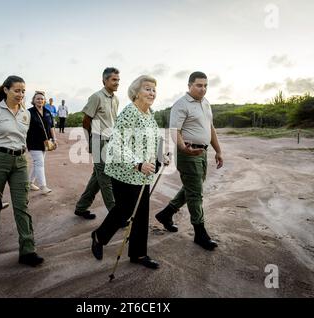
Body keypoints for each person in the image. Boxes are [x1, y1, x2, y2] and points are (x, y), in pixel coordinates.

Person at [91, 75, 162, 269]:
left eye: (154, 89)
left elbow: (154, 141)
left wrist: (160, 156)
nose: (152, 92)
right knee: (123, 212)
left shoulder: (150, 115)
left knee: (141, 213)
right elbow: (117, 143)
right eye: (147, 88)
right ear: (136, 92)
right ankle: (99, 236)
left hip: (143, 173)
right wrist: (137, 163)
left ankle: (138, 254)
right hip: (124, 171)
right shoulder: (130, 112)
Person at [155, 71, 223, 251]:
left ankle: (166, 214)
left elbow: (210, 128)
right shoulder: (181, 104)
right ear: (189, 85)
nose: (203, 89)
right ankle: (200, 234)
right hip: (187, 152)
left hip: (202, 152)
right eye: (199, 85)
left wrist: (218, 150)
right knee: (195, 193)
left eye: (206, 85)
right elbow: (174, 130)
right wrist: (184, 148)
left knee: (193, 187)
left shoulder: (206, 103)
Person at [0, 75, 44, 267]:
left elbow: (23, 138)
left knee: (21, 205)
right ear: (6, 90)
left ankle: (27, 250)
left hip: (20, 161)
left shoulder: (26, 113)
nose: (21, 94)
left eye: (23, 91)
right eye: (17, 90)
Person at [74, 67, 120, 220]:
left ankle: (81, 207)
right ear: (104, 81)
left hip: (110, 141)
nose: (117, 82)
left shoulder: (116, 99)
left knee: (97, 177)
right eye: (114, 79)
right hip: (98, 140)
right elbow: (86, 121)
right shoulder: (96, 97)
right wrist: (90, 142)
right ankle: (115, 215)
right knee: (106, 177)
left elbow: (113, 121)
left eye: (118, 80)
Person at [26, 91, 58, 194]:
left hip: (45, 142)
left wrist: (54, 139)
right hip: (33, 142)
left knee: (37, 163)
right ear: (33, 100)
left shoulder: (47, 112)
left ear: (44, 101)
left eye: (41, 99)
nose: (40, 100)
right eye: (38, 98)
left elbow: (51, 127)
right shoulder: (29, 112)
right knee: (39, 163)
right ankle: (43, 186)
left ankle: (29, 183)